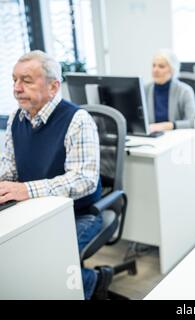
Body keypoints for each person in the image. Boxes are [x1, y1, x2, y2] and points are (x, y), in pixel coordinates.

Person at [0, 50, 111, 299]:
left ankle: (93, 279)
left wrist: (26, 189)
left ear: (53, 86)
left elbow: (84, 180)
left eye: (26, 80)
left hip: (80, 213)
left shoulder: (77, 120)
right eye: (13, 80)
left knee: (42, 261)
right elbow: (10, 171)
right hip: (35, 212)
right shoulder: (16, 119)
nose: (17, 88)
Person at [146, 49, 195, 132]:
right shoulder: (145, 89)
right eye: (154, 65)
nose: (155, 70)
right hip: (152, 138)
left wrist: (169, 125)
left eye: (161, 66)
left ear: (172, 70)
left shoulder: (185, 91)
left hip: (176, 138)